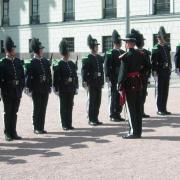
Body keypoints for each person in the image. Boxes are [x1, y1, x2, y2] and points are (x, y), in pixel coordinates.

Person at [118, 32, 146, 139]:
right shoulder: (141, 54)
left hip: (129, 84)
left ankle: (133, 132)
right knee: (138, 108)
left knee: (131, 108)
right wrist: (139, 74)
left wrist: (120, 84)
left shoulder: (126, 56)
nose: (125, 44)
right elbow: (147, 66)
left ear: (129, 44)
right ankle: (138, 131)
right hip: (138, 83)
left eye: (126, 42)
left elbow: (123, 73)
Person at [0, 36, 25, 141]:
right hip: (7, 91)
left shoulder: (18, 62)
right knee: (8, 112)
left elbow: (22, 76)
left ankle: (13, 132)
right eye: (13, 49)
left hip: (16, 91)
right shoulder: (2, 63)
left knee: (14, 112)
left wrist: (21, 87)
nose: (14, 50)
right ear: (7, 50)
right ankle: (7, 133)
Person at [25, 38, 52, 134]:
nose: (42, 51)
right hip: (36, 89)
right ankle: (36, 127)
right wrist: (28, 88)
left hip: (45, 88)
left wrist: (50, 85)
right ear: (37, 50)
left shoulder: (45, 61)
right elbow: (28, 76)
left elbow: (49, 74)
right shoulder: (32, 62)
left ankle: (41, 126)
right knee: (37, 108)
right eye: (41, 49)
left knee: (43, 108)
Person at [53, 39, 78, 130]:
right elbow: (56, 77)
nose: (68, 53)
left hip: (70, 88)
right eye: (67, 51)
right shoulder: (59, 63)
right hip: (63, 88)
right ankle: (64, 124)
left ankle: (69, 123)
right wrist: (56, 88)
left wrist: (76, 87)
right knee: (63, 107)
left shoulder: (71, 63)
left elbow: (75, 76)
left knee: (70, 105)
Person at [81, 35, 104, 126]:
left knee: (98, 101)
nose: (97, 47)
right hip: (91, 82)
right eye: (95, 46)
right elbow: (84, 70)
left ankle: (96, 118)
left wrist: (102, 81)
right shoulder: (87, 57)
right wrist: (84, 81)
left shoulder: (99, 57)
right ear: (92, 47)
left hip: (98, 82)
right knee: (92, 101)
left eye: (97, 46)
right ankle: (91, 119)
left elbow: (101, 70)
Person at [104, 30, 125, 122]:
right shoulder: (110, 52)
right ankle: (113, 114)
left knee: (120, 96)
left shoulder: (123, 51)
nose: (119, 43)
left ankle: (118, 113)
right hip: (113, 77)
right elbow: (106, 65)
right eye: (117, 42)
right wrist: (107, 77)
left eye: (119, 41)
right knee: (114, 96)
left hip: (121, 77)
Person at [131, 29, 152, 118]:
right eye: (142, 40)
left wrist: (148, 75)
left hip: (144, 77)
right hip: (137, 77)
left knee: (143, 95)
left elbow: (149, 64)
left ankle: (141, 111)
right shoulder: (135, 52)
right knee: (137, 96)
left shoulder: (145, 52)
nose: (143, 42)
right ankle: (137, 112)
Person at [151, 27, 172, 115]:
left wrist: (170, 67)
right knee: (159, 91)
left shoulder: (166, 47)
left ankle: (164, 108)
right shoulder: (156, 48)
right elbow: (153, 62)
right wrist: (154, 72)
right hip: (159, 71)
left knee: (165, 90)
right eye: (162, 37)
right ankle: (159, 109)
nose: (164, 39)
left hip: (166, 71)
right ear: (158, 38)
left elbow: (169, 58)